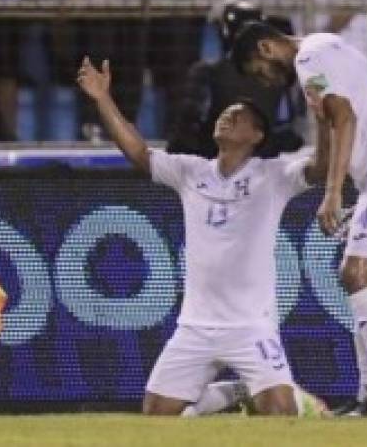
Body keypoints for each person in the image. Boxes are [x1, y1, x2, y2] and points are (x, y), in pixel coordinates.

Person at [76, 55, 328, 416]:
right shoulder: (190, 171)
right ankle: (238, 391)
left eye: (240, 117)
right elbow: (137, 152)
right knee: (156, 415)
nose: (229, 116)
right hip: (195, 324)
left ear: (256, 136)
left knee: (280, 413)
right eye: (227, 113)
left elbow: (320, 166)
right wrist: (103, 98)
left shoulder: (273, 176)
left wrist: (322, 119)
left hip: (250, 325)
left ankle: (265, 392)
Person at [232, 21, 367, 417]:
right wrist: (317, 173)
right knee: (356, 277)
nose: (267, 80)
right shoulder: (320, 54)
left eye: (260, 70)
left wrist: (332, 192)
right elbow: (330, 130)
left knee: (356, 274)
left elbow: (344, 118)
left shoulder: (311, 56)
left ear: (266, 47)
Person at [169, 0, 302, 159]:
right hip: (262, 164)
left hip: (213, 163)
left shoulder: (207, 71)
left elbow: (187, 126)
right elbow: (285, 124)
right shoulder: (279, 76)